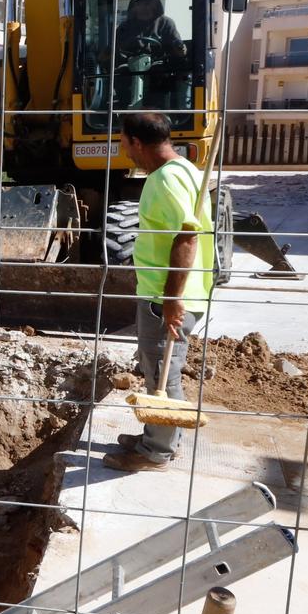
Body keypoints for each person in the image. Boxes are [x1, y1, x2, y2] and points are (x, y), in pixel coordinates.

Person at [105, 109, 216, 473]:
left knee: (162, 373)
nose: (123, 150)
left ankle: (156, 452)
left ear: (137, 142)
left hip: (166, 297)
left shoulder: (165, 181)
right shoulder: (183, 169)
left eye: (123, 142)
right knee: (160, 367)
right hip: (180, 291)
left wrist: (171, 299)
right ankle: (162, 437)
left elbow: (185, 237)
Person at [114, 0, 189, 111]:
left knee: (164, 78)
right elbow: (112, 49)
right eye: (140, 3)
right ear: (134, 6)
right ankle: (122, 114)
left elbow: (179, 48)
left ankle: (166, 112)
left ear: (155, 5)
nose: (144, 7)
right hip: (130, 68)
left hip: (157, 69)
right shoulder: (125, 27)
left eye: (147, 3)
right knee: (119, 76)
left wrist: (179, 47)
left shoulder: (166, 23)